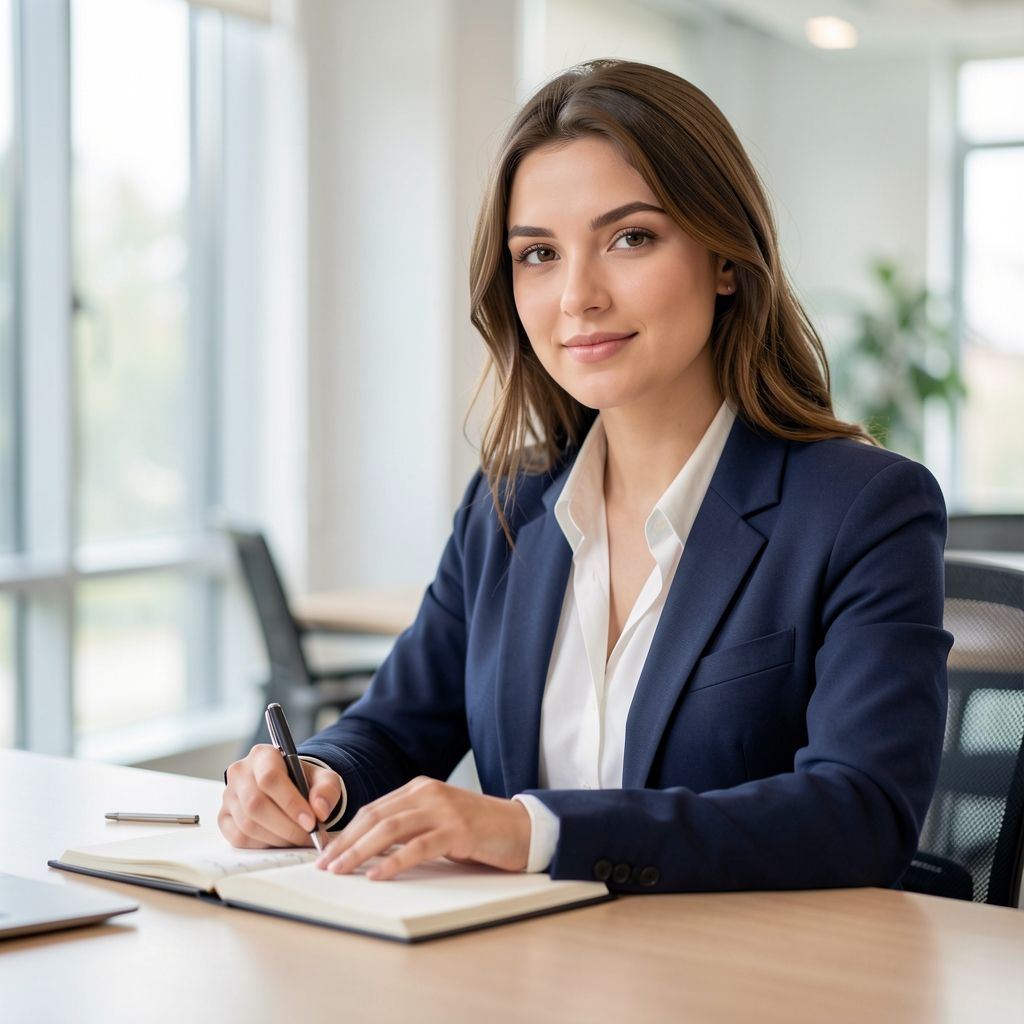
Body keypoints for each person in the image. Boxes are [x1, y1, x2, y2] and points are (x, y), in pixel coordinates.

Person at [219, 60, 951, 893]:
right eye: (537, 253)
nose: (577, 297)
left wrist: (536, 829)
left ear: (724, 256)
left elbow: (860, 813)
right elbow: (393, 725)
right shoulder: (509, 503)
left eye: (630, 238)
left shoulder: (862, 508)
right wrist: (315, 777)